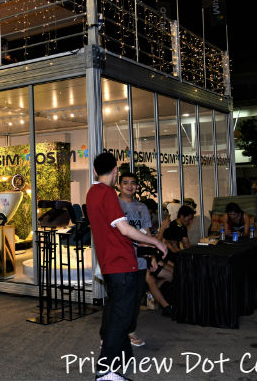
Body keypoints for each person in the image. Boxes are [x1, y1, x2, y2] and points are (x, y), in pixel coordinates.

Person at [86, 153, 167, 381]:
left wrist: (146, 242)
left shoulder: (92, 192)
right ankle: (105, 371)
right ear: (115, 171)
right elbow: (124, 229)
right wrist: (155, 241)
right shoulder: (107, 193)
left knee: (116, 313)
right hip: (121, 263)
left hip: (111, 264)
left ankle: (122, 356)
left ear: (95, 171)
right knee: (120, 318)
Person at [116, 173, 152, 348]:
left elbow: (147, 233)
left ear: (137, 187)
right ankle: (113, 333)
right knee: (120, 298)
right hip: (120, 259)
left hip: (140, 260)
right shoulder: (114, 205)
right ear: (119, 185)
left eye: (133, 183)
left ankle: (130, 330)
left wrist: (151, 256)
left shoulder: (142, 207)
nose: (129, 186)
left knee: (136, 297)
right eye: (125, 183)